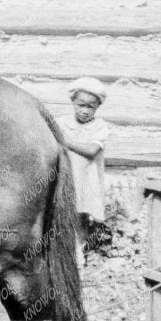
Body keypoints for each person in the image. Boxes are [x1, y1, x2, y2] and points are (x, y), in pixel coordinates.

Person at [59, 79, 111, 253]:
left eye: (91, 107)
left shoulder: (99, 127)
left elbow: (91, 150)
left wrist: (65, 141)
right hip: (65, 175)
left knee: (80, 213)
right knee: (61, 214)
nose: (84, 111)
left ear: (97, 107)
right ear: (73, 102)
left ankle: (81, 251)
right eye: (81, 105)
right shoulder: (62, 124)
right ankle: (62, 250)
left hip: (86, 179)